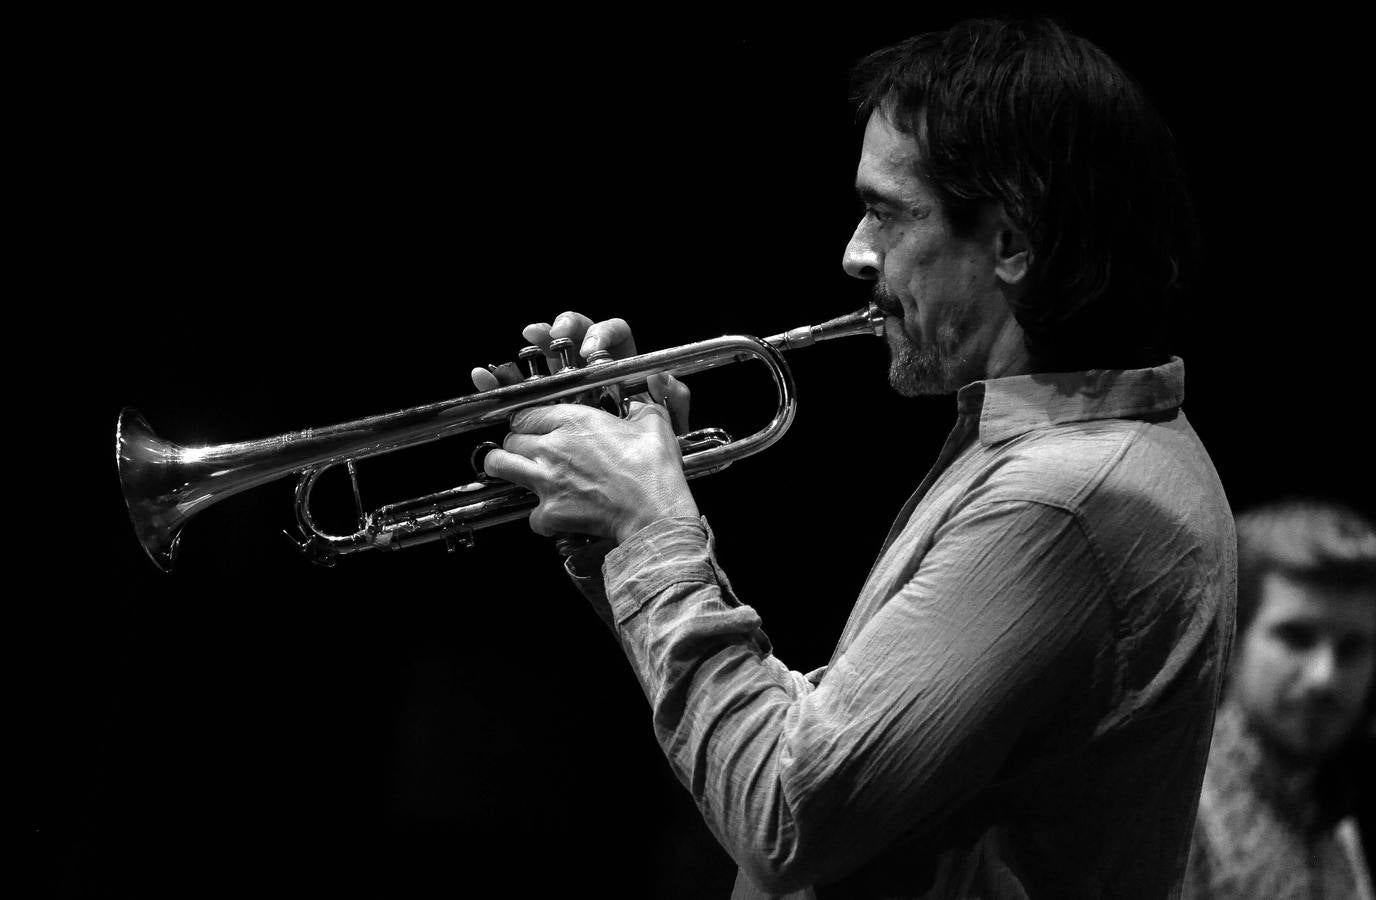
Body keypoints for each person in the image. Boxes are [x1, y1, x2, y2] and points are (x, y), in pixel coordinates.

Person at [473, 18, 1236, 899]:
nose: (855, 252)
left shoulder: (1063, 500)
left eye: (887, 211)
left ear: (1013, 242)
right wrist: (616, 532)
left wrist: (651, 527)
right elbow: (821, 743)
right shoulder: (1059, 451)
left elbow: (789, 816)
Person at [1184, 499, 1376, 899]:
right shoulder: (1180, 811)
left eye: (1352, 647)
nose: (1325, 676)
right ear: (1233, 638)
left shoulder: (1331, 812)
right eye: (1297, 637)